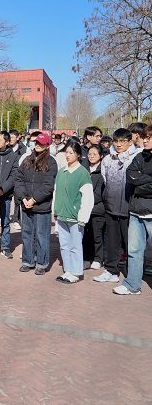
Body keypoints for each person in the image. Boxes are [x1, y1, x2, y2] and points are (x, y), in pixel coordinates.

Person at [94, 128, 139, 284]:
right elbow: (105, 180)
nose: (119, 144)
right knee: (112, 242)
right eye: (116, 141)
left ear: (130, 141)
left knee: (130, 243)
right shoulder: (107, 159)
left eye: (123, 141)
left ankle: (132, 274)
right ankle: (111, 270)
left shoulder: (136, 157)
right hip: (111, 206)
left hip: (129, 208)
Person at [113, 123, 152, 295]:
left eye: (148, 138)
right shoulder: (140, 156)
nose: (144, 141)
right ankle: (132, 285)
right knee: (134, 250)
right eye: (143, 137)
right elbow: (130, 176)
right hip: (136, 210)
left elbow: (137, 181)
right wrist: (146, 180)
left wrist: (139, 184)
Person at [14, 133, 58, 275]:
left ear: (47, 145)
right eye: (37, 142)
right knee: (27, 234)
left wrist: (34, 199)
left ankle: (41, 263)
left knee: (41, 235)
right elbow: (18, 180)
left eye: (41, 143)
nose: (38, 145)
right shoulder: (27, 159)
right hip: (26, 204)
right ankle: (28, 261)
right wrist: (23, 198)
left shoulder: (51, 162)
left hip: (42, 206)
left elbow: (48, 186)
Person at [52, 140, 94, 283]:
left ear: (78, 155)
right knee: (64, 245)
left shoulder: (83, 173)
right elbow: (56, 193)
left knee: (75, 245)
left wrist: (83, 217)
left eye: (71, 153)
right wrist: (55, 210)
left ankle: (76, 272)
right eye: (67, 152)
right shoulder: (61, 172)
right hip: (61, 214)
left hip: (75, 217)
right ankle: (68, 270)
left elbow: (88, 197)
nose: (68, 155)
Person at [83, 145, 106, 269]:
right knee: (86, 235)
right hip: (84, 208)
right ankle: (87, 257)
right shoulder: (84, 169)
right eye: (89, 154)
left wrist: (87, 202)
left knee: (97, 235)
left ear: (101, 156)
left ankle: (98, 258)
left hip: (97, 208)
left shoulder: (103, 170)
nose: (91, 156)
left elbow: (99, 193)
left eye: (94, 154)